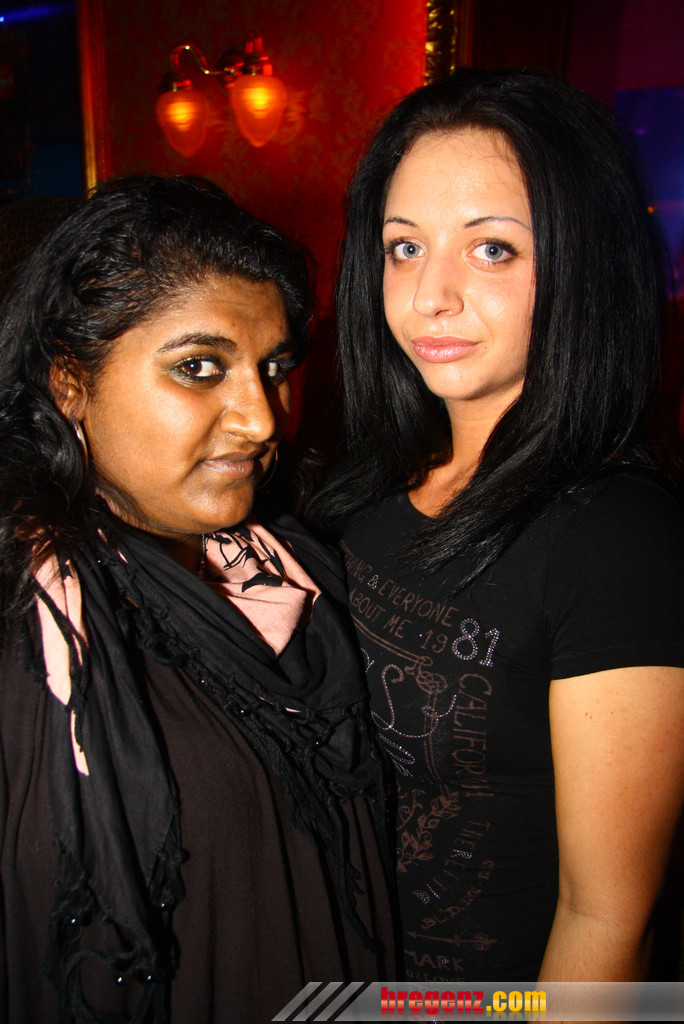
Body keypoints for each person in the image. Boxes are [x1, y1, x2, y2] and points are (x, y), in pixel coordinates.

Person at [310, 68, 684, 983]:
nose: (430, 295)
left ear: (584, 264)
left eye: (492, 249)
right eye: (404, 247)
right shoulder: (360, 495)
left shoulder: (617, 539)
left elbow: (609, 923)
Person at [0, 175, 395, 1024]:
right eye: (198, 368)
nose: (262, 418)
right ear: (70, 382)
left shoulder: (295, 571)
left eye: (274, 367)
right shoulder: (37, 632)